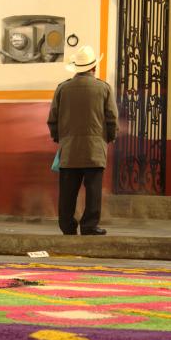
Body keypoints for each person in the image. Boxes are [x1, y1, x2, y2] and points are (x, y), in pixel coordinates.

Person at [47, 45, 118, 235]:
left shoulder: (62, 89)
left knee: (68, 191)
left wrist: (60, 139)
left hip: (69, 149)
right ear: (93, 67)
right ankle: (89, 225)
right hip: (94, 148)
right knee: (93, 190)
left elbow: (52, 119)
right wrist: (108, 138)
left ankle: (67, 225)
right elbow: (111, 118)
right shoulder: (103, 88)